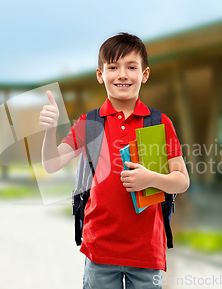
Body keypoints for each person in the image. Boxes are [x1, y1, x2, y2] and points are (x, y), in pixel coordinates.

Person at [38, 32, 190, 289]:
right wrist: (50, 130)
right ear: (100, 75)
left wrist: (150, 178)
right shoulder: (90, 123)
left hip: (147, 252)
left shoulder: (159, 122)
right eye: (113, 67)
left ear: (145, 74)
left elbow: (182, 181)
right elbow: (51, 163)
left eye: (131, 67)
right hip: (100, 249)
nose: (122, 74)